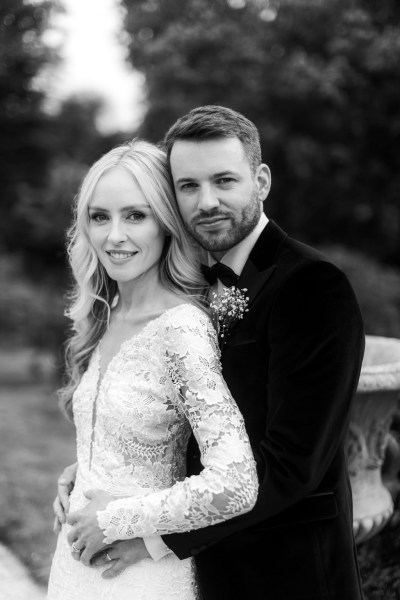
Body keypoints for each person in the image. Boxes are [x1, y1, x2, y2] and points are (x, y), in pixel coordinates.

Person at [55, 106, 365, 600]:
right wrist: (98, 465)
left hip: (285, 573)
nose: (207, 202)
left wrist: (149, 535)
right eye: (188, 186)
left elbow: (293, 466)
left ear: (261, 180)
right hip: (205, 569)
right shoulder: (187, 281)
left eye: (224, 180)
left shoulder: (312, 286)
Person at [47, 138, 259, 600]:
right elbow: (126, 442)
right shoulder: (105, 314)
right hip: (71, 570)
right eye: (99, 216)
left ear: (166, 224)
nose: (113, 236)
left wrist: (117, 517)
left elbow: (236, 482)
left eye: (135, 216)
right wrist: (78, 477)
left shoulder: (181, 329)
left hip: (138, 578)